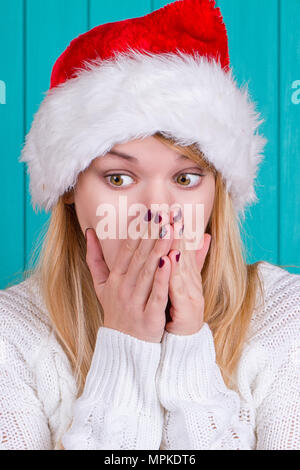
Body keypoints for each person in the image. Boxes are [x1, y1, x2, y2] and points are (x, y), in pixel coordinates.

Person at [0, 0, 299, 450]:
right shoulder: (11, 334)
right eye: (119, 178)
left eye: (185, 178)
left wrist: (188, 351)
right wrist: (125, 347)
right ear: (68, 186)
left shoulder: (285, 317)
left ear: (217, 190)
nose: (157, 212)